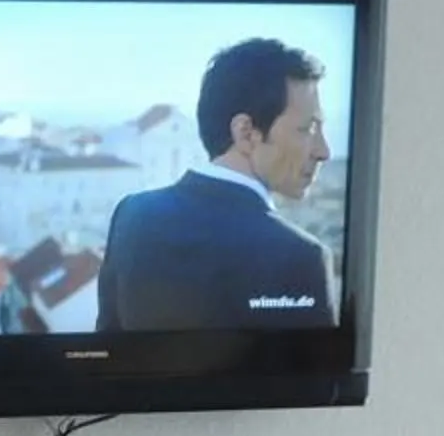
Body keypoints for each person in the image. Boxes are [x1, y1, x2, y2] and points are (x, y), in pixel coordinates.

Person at [96, 37, 334, 332]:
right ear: (246, 133)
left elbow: (106, 350)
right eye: (308, 128)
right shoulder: (301, 257)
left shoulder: (131, 214)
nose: (324, 151)